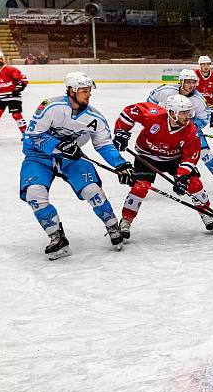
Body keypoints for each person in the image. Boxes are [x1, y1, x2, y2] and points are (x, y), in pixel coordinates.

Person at [19, 72, 133, 259]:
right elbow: (32, 134)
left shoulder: (95, 117)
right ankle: (57, 237)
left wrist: (121, 164)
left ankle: (112, 225)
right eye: (84, 91)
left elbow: (104, 144)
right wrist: (58, 145)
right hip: (38, 156)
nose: (89, 95)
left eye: (89, 91)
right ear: (71, 91)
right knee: (34, 194)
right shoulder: (51, 107)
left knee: (92, 190)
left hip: (71, 158)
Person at [113, 96, 213, 237]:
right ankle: (126, 220)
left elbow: (190, 157)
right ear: (172, 113)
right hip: (147, 156)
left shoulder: (192, 130)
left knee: (194, 183)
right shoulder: (154, 115)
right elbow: (131, 111)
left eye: (189, 112)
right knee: (140, 188)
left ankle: (206, 213)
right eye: (184, 112)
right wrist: (122, 132)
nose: (188, 116)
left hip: (174, 159)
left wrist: (181, 176)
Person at [146, 69, 213, 191]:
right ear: (181, 82)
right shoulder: (166, 90)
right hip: (166, 126)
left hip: (187, 128)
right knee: (153, 151)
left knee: (204, 152)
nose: (191, 85)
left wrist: (192, 126)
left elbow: (205, 117)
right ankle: (144, 179)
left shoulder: (199, 99)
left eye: (193, 82)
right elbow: (151, 100)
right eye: (188, 82)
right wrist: (154, 116)